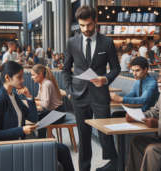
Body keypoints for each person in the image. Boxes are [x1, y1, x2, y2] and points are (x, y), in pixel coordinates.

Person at [62, 5, 120, 171]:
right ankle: (84, 168)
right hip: (78, 96)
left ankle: (114, 165)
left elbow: (116, 68)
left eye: (88, 24)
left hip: (100, 95)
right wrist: (68, 91)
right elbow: (66, 69)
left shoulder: (107, 42)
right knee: (84, 136)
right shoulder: (71, 42)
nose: (85, 29)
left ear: (95, 21)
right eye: (81, 25)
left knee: (105, 135)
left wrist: (106, 79)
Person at [0, 62, 75, 171]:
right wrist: (21, 129)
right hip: (10, 147)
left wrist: (29, 97)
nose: (23, 80)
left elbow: (34, 118)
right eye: (19, 76)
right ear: (8, 77)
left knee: (63, 149)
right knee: (61, 149)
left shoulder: (14, 96)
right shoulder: (0, 98)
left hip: (20, 143)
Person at [31, 64, 64, 138]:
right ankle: (46, 139)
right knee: (34, 118)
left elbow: (45, 104)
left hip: (58, 114)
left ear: (40, 74)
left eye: (33, 75)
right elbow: (39, 98)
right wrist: (31, 98)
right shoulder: (41, 83)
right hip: (52, 112)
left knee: (41, 123)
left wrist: (33, 102)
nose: (31, 77)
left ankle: (42, 143)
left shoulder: (47, 84)